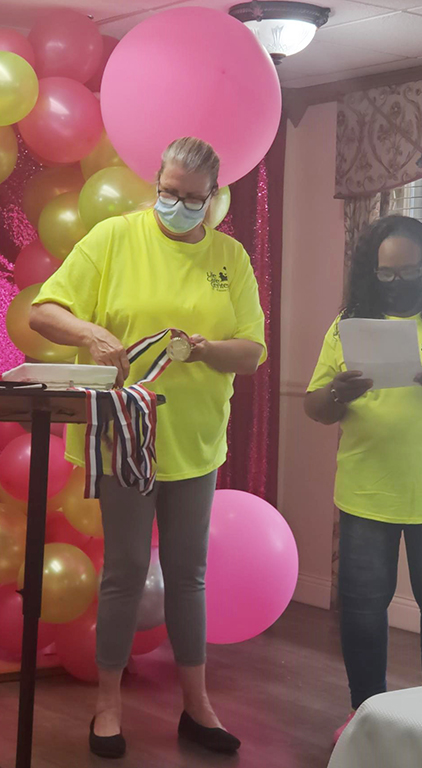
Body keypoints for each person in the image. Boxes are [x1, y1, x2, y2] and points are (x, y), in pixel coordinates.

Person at [30, 137, 266, 759]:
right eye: (169, 192)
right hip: (124, 433)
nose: (178, 206)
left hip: (194, 439)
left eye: (193, 198)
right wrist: (92, 333)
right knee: (126, 570)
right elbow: (44, 311)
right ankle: (107, 707)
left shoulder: (231, 258)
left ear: (213, 199)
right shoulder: (114, 239)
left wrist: (206, 349)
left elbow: (253, 349)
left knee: (189, 575)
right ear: (155, 182)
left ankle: (198, 705)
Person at [304, 215, 422, 743]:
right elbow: (315, 406)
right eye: (386, 275)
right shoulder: (349, 324)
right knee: (364, 615)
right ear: (372, 273)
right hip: (366, 495)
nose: (397, 282)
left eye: (408, 271)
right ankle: (368, 718)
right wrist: (341, 391)